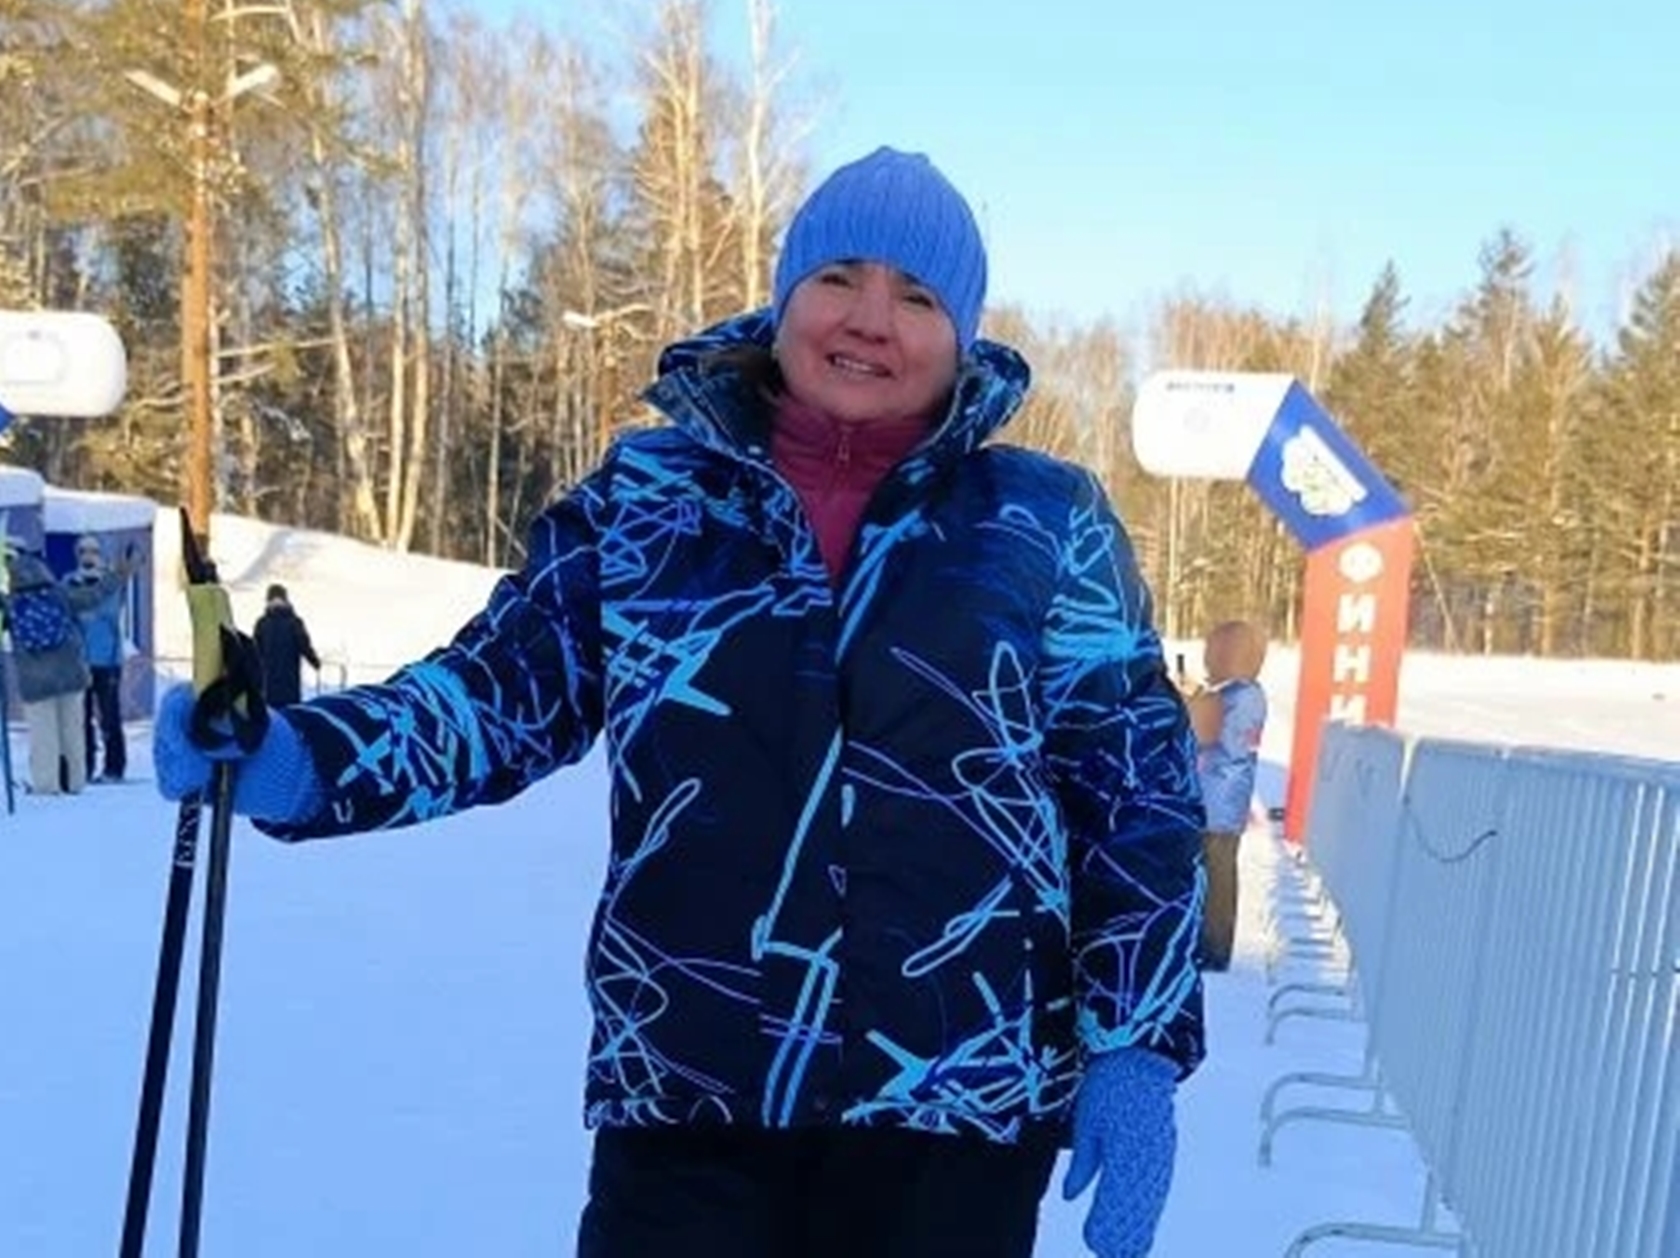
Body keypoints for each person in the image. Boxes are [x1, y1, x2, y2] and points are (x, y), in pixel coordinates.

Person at [153, 146, 1206, 1258]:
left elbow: (1133, 793)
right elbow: (496, 695)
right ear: (785, 296)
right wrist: (299, 758)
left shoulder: (1044, 522)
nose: (870, 318)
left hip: (953, 1111)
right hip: (688, 1090)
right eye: (838, 277)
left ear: (963, 334)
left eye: (917, 296)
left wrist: (1134, 1044)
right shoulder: (647, 502)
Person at [1184, 620, 1269, 972]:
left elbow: (1204, 732)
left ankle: (1214, 947)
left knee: (1216, 876)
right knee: (1214, 872)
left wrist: (1192, 703)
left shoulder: (1237, 696)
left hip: (1217, 801)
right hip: (1221, 801)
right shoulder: (1242, 694)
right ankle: (1208, 942)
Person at [4, 545, 91, 795]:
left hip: (35, 681)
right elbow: (94, 596)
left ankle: (46, 785)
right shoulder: (60, 595)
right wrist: (120, 573)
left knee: (43, 736)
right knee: (72, 732)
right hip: (70, 674)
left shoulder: (12, 605)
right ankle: (75, 782)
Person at [63, 534, 139, 782]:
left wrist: (89, 605)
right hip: (79, 662)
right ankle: (84, 766)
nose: (88, 557)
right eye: (83, 551)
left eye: (93, 551)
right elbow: (66, 612)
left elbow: (110, 611)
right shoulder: (69, 582)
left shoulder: (110, 582)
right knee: (80, 719)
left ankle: (114, 767)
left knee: (110, 717)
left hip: (108, 661)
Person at [252, 582, 320, 706]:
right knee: (290, 708)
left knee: (272, 708)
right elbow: (304, 645)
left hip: (269, 679)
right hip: (289, 677)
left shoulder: (262, 623)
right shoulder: (294, 622)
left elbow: (255, 651)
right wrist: (314, 661)